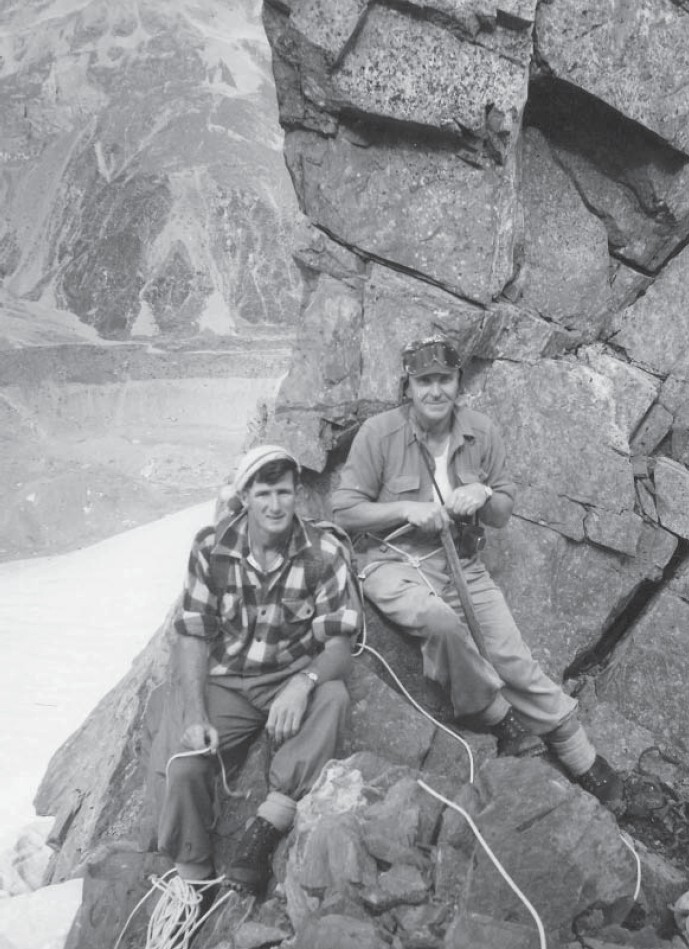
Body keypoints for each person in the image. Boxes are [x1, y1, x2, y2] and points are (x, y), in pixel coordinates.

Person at [331, 335, 623, 808]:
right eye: (424, 381)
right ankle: (495, 714)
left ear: (457, 382)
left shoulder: (481, 432)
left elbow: (504, 511)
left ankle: (583, 758)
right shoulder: (378, 434)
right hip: (391, 562)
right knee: (440, 622)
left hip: (462, 562)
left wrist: (484, 495)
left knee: (513, 659)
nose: (434, 391)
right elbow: (344, 511)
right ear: (408, 385)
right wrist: (407, 509)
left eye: (443, 379)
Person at [154, 445, 362, 914]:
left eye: (284, 492)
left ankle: (270, 822)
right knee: (185, 761)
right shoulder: (211, 548)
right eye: (263, 492)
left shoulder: (324, 553)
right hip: (228, 681)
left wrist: (302, 681)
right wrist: (194, 714)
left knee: (332, 697)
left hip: (288, 674)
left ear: (297, 495)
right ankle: (195, 879)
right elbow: (192, 635)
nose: (275, 505)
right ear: (244, 496)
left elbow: (339, 646)